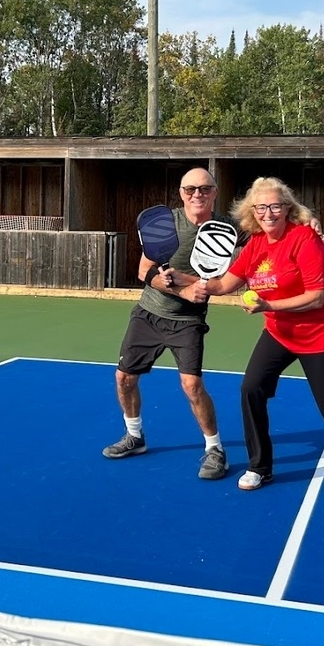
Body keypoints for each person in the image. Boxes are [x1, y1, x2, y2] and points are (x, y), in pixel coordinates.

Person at [192, 176, 324, 490]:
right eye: (261, 207)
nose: (268, 213)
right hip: (280, 333)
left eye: (275, 206)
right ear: (252, 211)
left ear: (287, 208)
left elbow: (316, 296)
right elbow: (225, 284)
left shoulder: (304, 239)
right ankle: (259, 466)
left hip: (319, 333)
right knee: (251, 390)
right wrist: (200, 284)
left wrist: (268, 305)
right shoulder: (256, 244)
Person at [103, 167, 233, 480]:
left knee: (192, 386)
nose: (197, 194)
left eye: (204, 188)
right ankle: (135, 437)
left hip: (187, 321)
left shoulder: (227, 227)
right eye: (190, 189)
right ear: (181, 193)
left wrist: (307, 221)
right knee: (124, 379)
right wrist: (176, 286)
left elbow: (270, 225)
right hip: (148, 313)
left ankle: (215, 449)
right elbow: (143, 271)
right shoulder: (165, 223)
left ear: (215, 192)